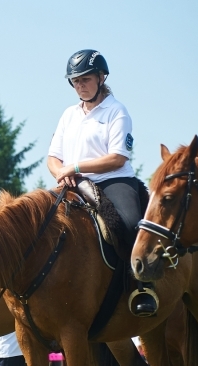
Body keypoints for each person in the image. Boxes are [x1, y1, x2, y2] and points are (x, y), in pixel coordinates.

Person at [48, 49, 157, 317]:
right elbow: (52, 157)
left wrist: (75, 167)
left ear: (101, 77)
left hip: (112, 180)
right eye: (75, 81)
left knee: (130, 224)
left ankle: (141, 286)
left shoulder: (117, 111)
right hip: (71, 183)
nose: (80, 86)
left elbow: (117, 159)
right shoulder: (68, 114)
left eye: (85, 79)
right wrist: (62, 173)